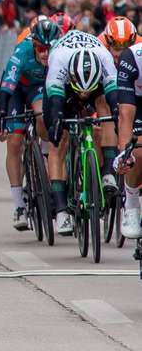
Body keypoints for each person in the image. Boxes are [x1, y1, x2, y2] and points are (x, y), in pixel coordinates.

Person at [44, 32, 120, 236]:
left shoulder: (105, 60)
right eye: (82, 92)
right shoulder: (58, 61)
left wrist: (118, 117)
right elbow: (54, 102)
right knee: (57, 141)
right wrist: (57, 121)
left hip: (96, 83)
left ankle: (107, 175)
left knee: (108, 109)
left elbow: (115, 97)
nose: (83, 96)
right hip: (65, 90)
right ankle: (60, 210)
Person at [0, 17, 61, 230]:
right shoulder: (22, 52)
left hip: (38, 89)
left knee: (42, 114)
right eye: (40, 48)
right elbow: (5, 91)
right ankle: (19, 206)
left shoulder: (59, 54)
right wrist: (2, 120)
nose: (45, 54)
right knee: (14, 141)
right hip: (16, 90)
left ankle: (43, 156)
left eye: (49, 48)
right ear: (33, 44)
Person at [114, 39, 142, 239]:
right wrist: (126, 154)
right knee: (138, 151)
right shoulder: (131, 57)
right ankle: (131, 206)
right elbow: (125, 114)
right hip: (137, 102)